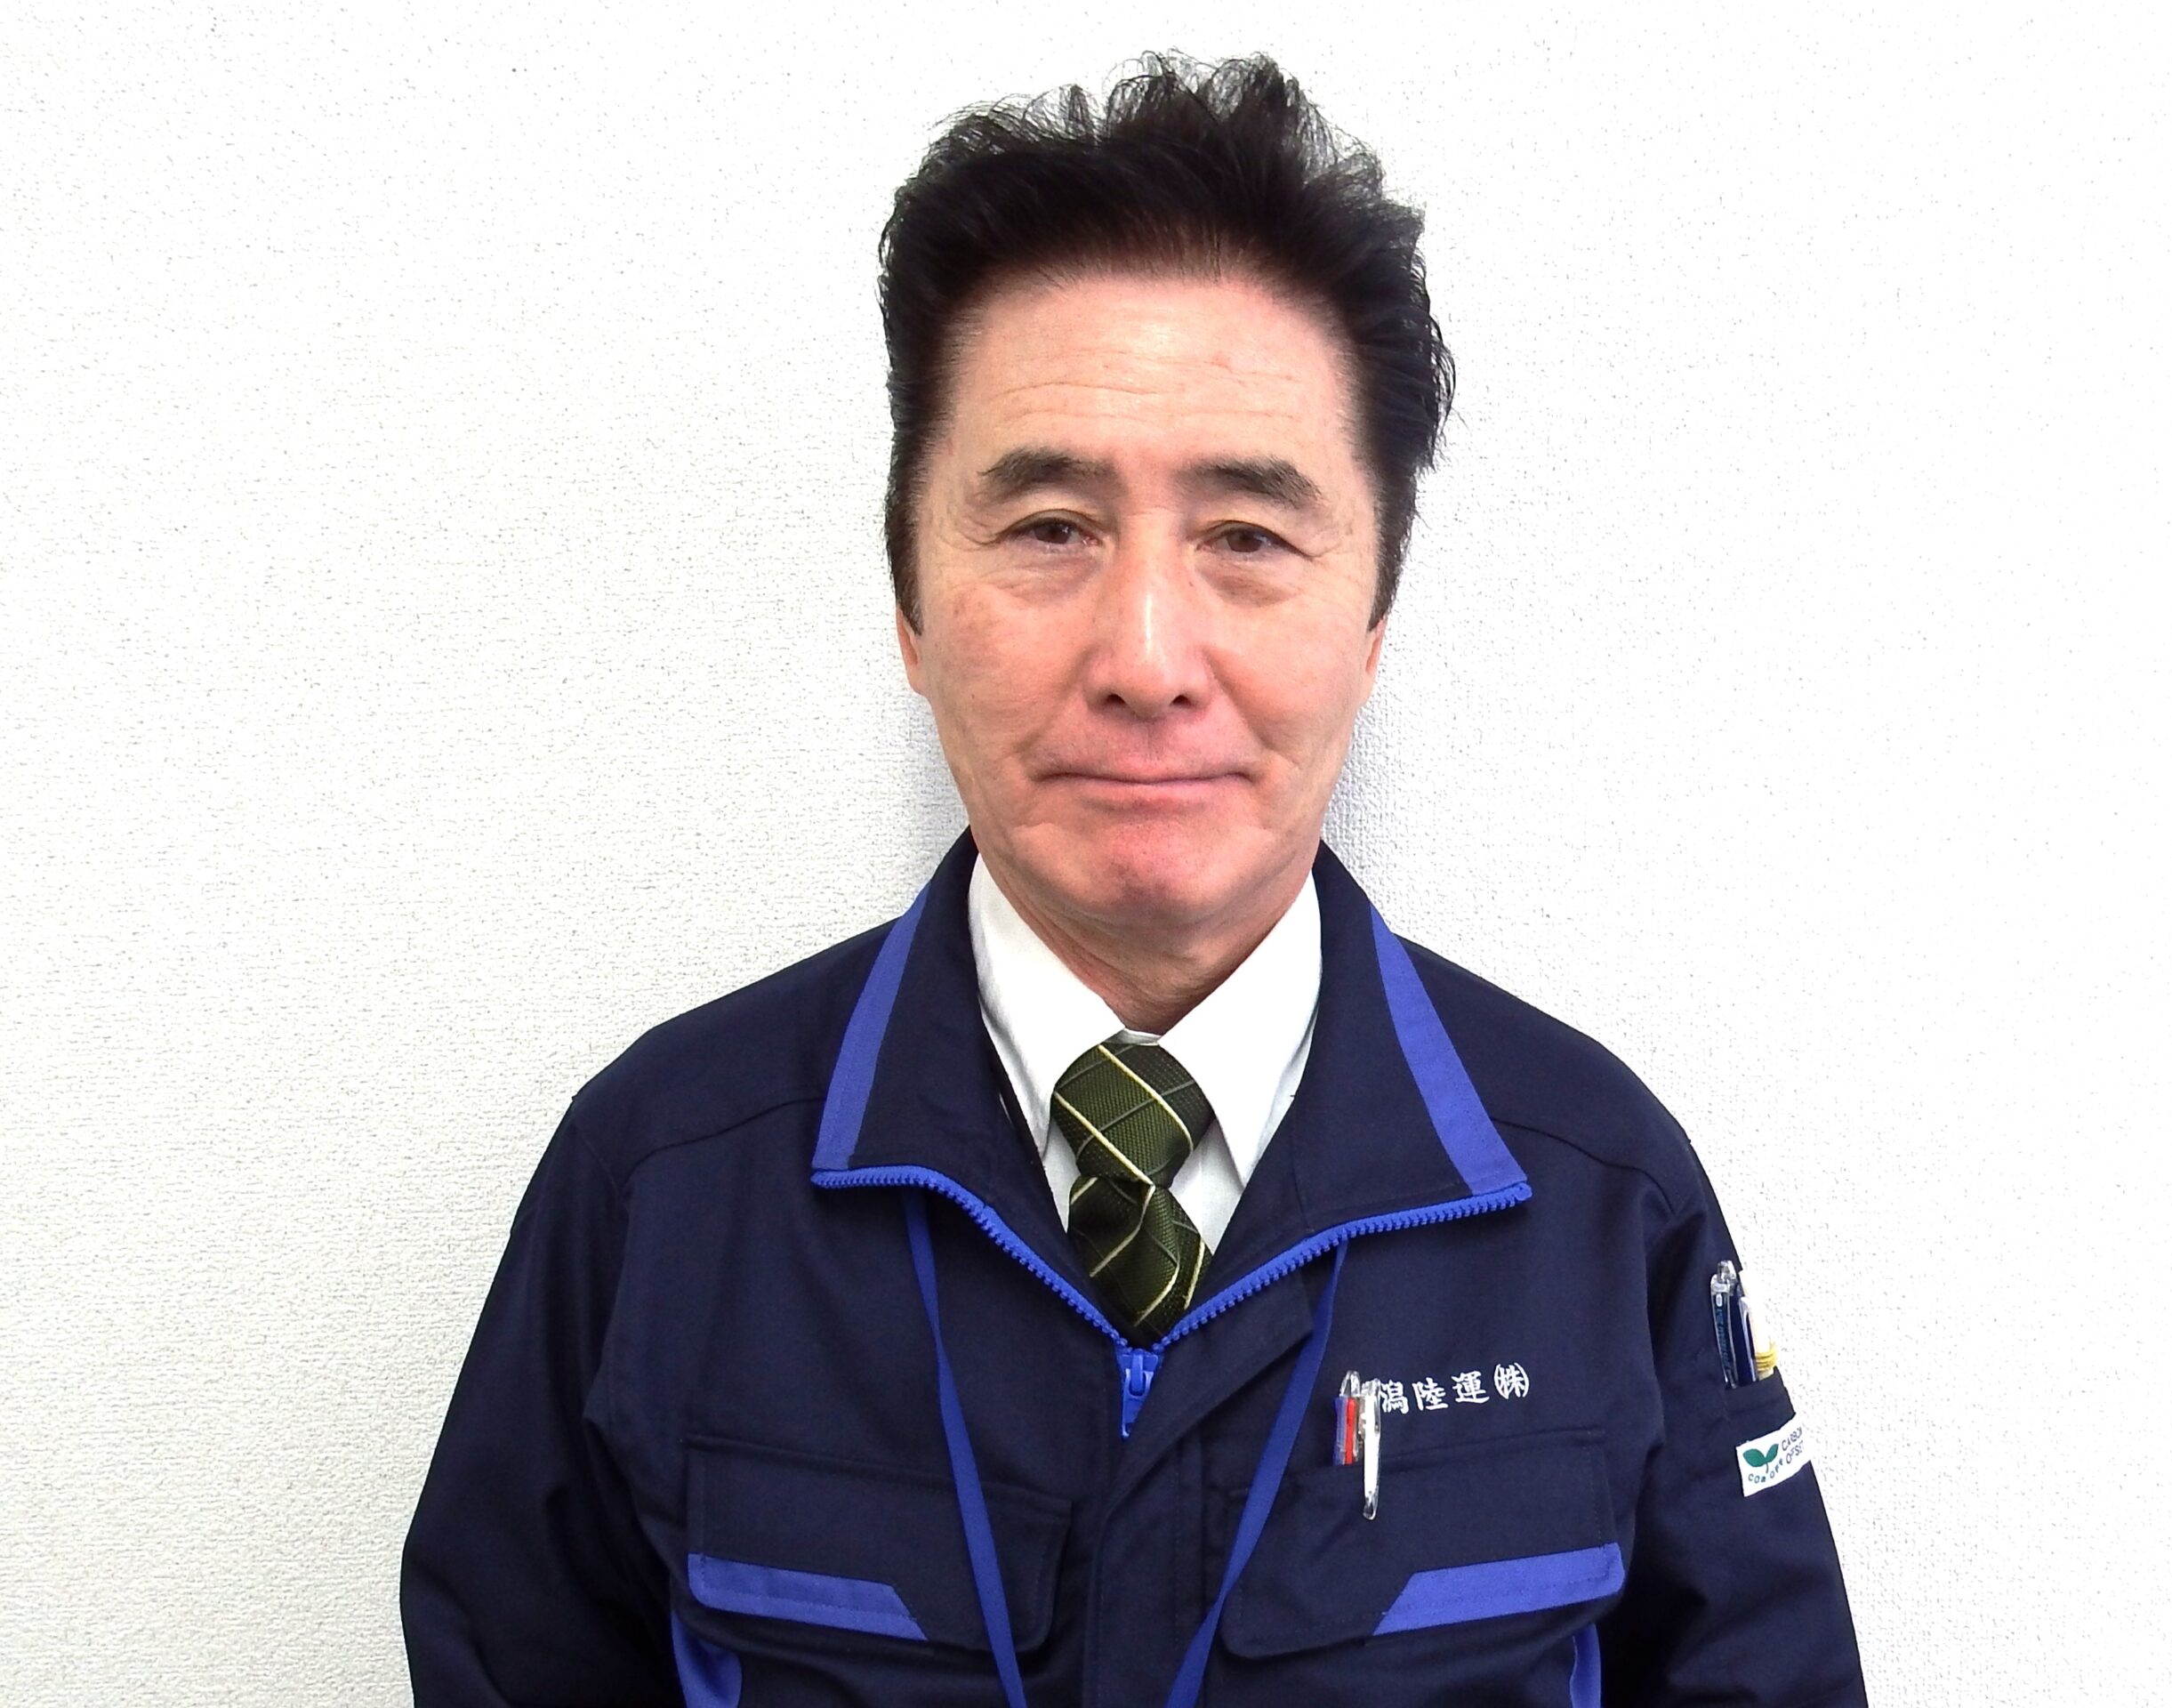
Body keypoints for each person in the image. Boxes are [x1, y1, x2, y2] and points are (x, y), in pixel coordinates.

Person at [401, 52, 1867, 1708]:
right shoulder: (664, 1181)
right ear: (910, 605)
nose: (1147, 659)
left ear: (1373, 622)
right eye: (1049, 528)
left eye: (1248, 537)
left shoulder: (1597, 1195)